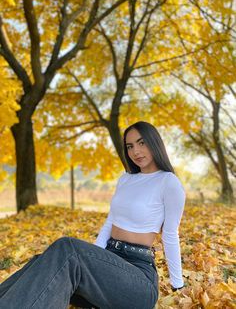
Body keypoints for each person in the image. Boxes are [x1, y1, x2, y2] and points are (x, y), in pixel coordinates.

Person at [0, 121, 186, 309]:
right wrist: (95, 257)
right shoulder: (126, 179)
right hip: (109, 266)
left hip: (137, 279)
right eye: (130, 146)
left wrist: (178, 285)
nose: (136, 151)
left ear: (154, 142)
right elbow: (111, 221)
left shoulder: (168, 182)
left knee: (67, 248)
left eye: (141, 143)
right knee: (42, 262)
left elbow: (170, 234)